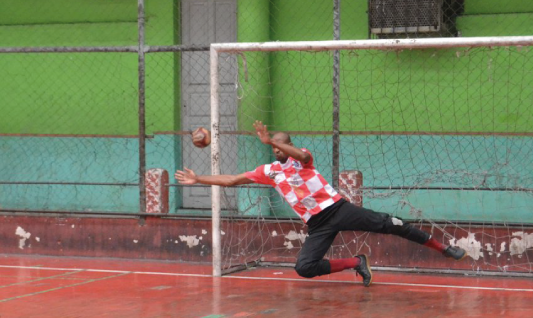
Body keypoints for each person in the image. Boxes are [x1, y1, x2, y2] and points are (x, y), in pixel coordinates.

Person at [175, 120, 465, 286]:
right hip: (317, 224)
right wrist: (198, 178)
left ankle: (443, 248)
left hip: (339, 209)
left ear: (286, 144)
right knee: (304, 267)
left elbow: (299, 156)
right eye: (273, 146)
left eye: (279, 145)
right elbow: (232, 180)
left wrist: (270, 141)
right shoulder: (269, 171)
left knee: (393, 224)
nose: (276, 149)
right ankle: (356, 262)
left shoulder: (302, 157)